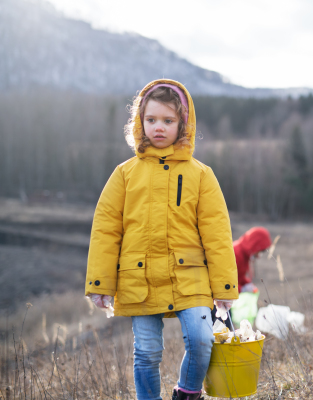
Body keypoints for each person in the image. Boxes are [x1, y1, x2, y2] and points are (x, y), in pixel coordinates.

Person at [85, 79, 238, 400]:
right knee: (147, 354)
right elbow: (105, 230)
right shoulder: (124, 174)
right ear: (139, 122)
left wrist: (224, 287)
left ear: (183, 124)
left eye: (168, 121)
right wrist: (100, 283)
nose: (158, 127)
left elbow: (218, 233)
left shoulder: (201, 174)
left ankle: (188, 392)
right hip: (139, 279)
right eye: (151, 119)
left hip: (191, 276)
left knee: (201, 340)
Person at [211, 227, 271, 329]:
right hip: (218, 300)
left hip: (226, 297)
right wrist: (241, 289)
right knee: (221, 330)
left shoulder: (244, 255)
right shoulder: (235, 253)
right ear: (255, 245)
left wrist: (247, 283)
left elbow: (239, 276)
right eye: (260, 251)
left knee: (226, 329)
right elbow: (224, 281)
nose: (259, 256)